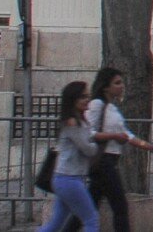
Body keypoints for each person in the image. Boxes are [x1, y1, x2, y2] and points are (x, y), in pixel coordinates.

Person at [62, 68, 153, 232]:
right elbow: (88, 133)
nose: (122, 86)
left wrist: (147, 146)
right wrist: (113, 136)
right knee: (120, 206)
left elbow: (126, 134)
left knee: (89, 206)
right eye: (117, 83)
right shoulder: (96, 105)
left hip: (109, 161)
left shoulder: (112, 108)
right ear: (106, 87)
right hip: (103, 161)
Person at [39, 81, 122, 232]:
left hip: (68, 178)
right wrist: (98, 142)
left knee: (56, 222)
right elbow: (88, 149)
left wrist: (95, 138)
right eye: (82, 97)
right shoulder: (73, 123)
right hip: (69, 179)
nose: (87, 100)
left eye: (87, 96)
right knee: (91, 219)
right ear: (73, 99)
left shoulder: (80, 121)